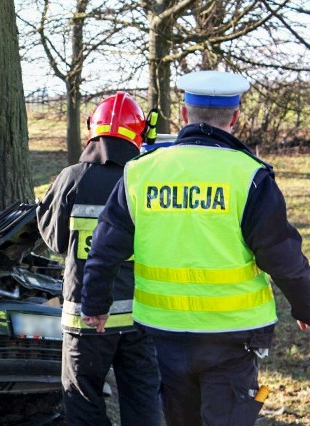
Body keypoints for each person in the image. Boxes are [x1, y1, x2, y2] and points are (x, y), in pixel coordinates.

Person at [80, 71, 310, 426]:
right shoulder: (249, 176)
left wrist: (95, 304)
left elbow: (105, 246)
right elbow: (282, 255)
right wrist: (305, 305)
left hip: (163, 332)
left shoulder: (140, 172)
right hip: (231, 335)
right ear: (235, 118)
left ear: (185, 116)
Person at [37, 92, 161, 426]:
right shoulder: (148, 180)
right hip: (140, 314)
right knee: (144, 399)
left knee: (83, 399)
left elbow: (56, 242)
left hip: (87, 317)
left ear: (93, 130)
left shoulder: (73, 178)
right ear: (138, 135)